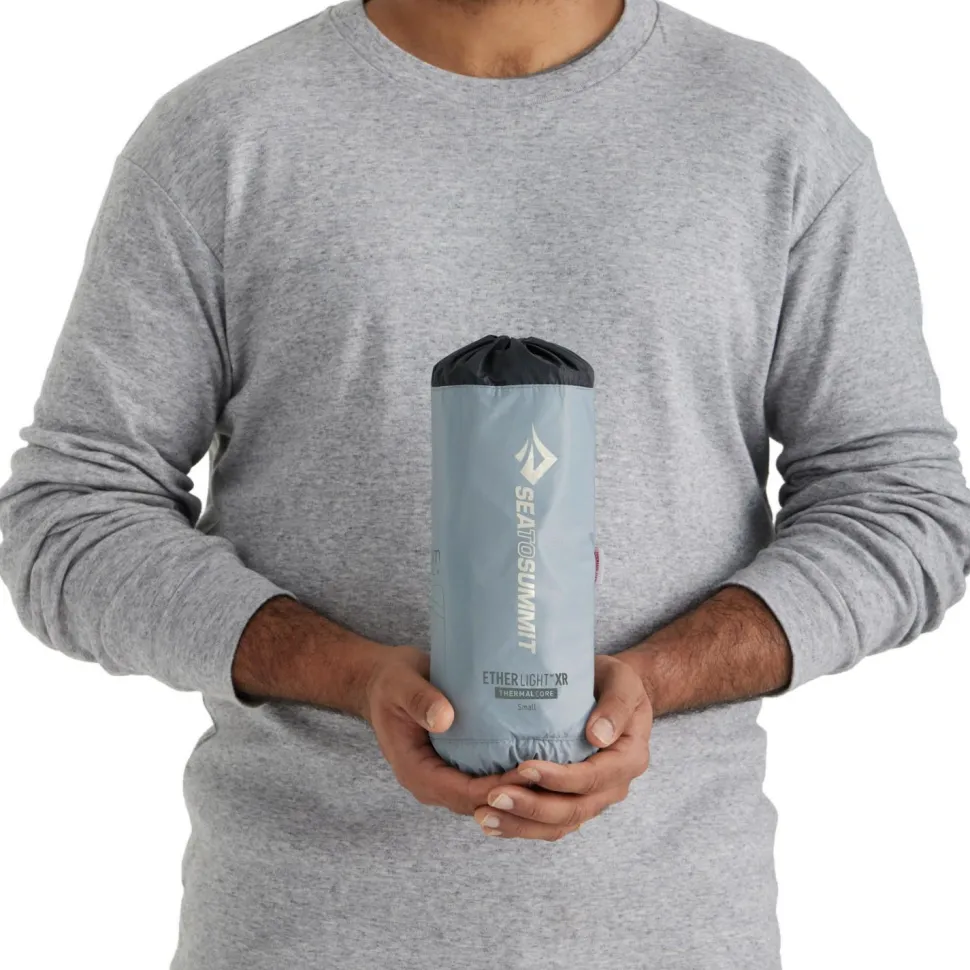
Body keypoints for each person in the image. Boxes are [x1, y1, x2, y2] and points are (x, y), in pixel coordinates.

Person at [1, 1, 967, 967]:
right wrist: (347, 674)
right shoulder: (223, 135)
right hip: (302, 934)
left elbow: (903, 507)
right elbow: (69, 515)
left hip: (670, 935)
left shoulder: (774, 127)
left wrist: (659, 681)